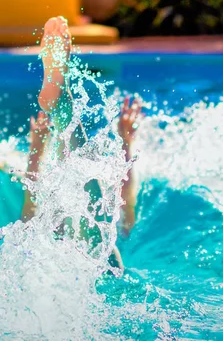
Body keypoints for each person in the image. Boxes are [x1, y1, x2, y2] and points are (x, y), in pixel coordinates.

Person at [20, 16, 141, 267]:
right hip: (100, 271)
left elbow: (28, 209)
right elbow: (127, 204)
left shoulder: (53, 229)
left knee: (52, 213)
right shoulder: (115, 227)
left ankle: (62, 106)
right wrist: (125, 145)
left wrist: (36, 149)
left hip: (52, 262)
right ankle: (62, 105)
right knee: (99, 228)